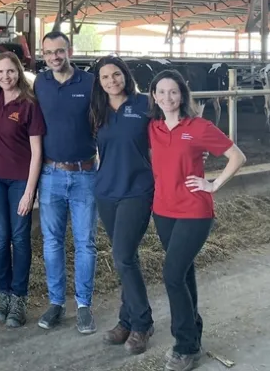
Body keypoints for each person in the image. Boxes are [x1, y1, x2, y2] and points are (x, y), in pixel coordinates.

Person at [148, 69, 246, 371]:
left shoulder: (198, 126)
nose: (168, 97)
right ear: (153, 96)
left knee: (172, 275)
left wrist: (213, 184)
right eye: (161, 92)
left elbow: (237, 156)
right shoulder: (152, 127)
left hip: (194, 211)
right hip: (163, 211)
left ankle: (186, 346)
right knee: (184, 273)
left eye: (173, 92)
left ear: (182, 95)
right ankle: (194, 332)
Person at [89, 56, 155, 353]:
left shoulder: (144, 105)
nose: (111, 81)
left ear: (125, 76)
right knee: (124, 258)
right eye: (105, 77)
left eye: (116, 75)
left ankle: (142, 323)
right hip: (106, 190)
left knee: (123, 256)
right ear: (99, 83)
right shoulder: (98, 110)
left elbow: (168, 137)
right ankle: (126, 319)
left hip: (137, 190)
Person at [34, 31, 98, 335]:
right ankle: (56, 302)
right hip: (50, 175)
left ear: (69, 51)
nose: (54, 57)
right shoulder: (40, 83)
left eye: (59, 51)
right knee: (52, 242)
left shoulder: (89, 83)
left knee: (85, 242)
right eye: (48, 53)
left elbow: (104, 120)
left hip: (85, 172)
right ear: (43, 54)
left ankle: (84, 305)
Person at [0, 51, 45, 328]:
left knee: (19, 238)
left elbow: (37, 151)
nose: (5, 76)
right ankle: (2, 295)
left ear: (18, 72)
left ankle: (19, 298)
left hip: (20, 180)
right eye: (0, 72)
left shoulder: (29, 103)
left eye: (10, 71)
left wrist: (30, 191)